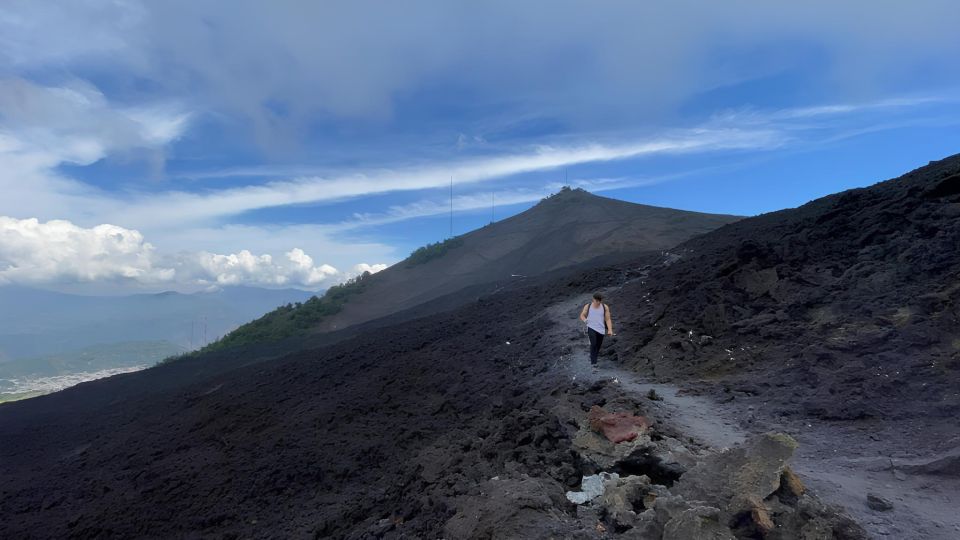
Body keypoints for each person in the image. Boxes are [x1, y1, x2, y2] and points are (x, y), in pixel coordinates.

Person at [579, 292, 614, 368]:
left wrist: (610, 330)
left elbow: (608, 319)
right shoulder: (588, 306)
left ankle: (594, 358)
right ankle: (593, 363)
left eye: (599, 301)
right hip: (591, 327)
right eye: (596, 301)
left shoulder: (605, 307)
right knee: (593, 344)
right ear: (593, 299)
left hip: (601, 329)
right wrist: (585, 320)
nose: (598, 302)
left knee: (598, 346)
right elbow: (582, 315)